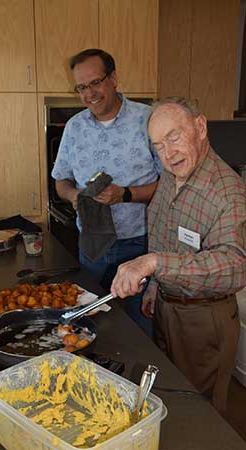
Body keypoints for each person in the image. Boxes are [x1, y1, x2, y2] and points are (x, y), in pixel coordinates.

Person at [111, 96, 246, 415]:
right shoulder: (171, 176)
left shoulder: (228, 191)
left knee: (199, 414)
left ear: (200, 127)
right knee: (170, 399)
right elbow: (163, 233)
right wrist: (156, 286)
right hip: (167, 308)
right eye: (159, 145)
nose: (168, 154)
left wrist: (154, 264)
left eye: (174, 137)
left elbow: (235, 265)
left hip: (204, 320)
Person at [51, 48, 162, 336]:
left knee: (140, 328)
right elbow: (60, 180)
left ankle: (140, 379)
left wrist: (125, 194)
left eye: (96, 82)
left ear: (113, 78)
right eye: (82, 87)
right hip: (92, 246)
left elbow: (172, 186)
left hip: (140, 245)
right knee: (90, 326)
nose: (90, 94)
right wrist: (74, 196)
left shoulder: (148, 120)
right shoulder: (74, 128)